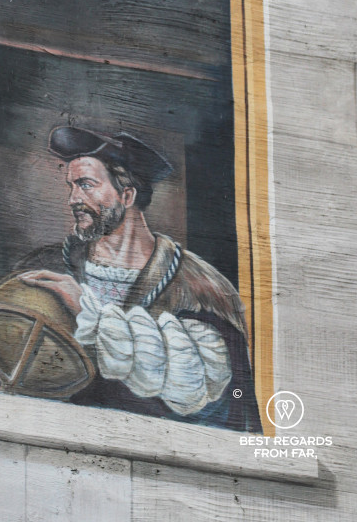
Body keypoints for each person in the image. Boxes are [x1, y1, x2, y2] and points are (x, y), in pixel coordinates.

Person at [17, 126, 262, 432]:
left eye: (86, 185)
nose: (73, 199)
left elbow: (225, 404)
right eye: (72, 186)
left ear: (128, 194)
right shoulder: (46, 266)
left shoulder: (199, 286)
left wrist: (88, 313)